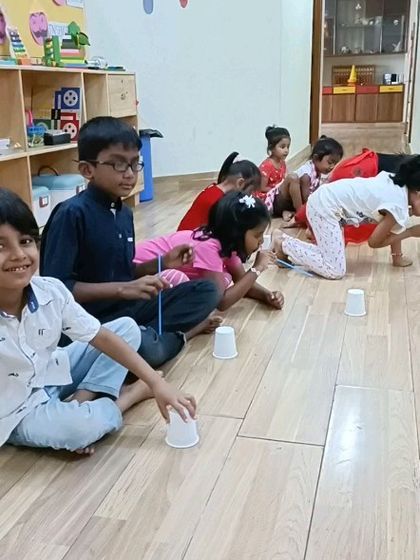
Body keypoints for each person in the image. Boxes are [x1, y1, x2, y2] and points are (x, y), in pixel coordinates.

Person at [0, 188, 196, 455]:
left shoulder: (50, 291)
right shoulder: (74, 214)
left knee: (126, 328)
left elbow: (100, 336)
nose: (18, 254)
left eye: (25, 241)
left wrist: (156, 382)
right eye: (1, 246)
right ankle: (126, 398)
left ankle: (82, 400)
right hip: (16, 411)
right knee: (79, 429)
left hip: (49, 372)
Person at [40, 117, 221, 369]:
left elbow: (123, 272)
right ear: (87, 170)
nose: (129, 173)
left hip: (125, 311)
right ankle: (166, 340)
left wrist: (162, 262)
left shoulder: (124, 213)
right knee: (145, 348)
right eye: (118, 164)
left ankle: (143, 341)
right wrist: (123, 290)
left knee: (207, 291)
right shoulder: (71, 214)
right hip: (86, 322)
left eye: (135, 164)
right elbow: (55, 290)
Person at [272, 157, 420, 279]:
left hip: (324, 201)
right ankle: (284, 244)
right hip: (325, 207)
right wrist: (411, 232)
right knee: (335, 270)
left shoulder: (397, 185)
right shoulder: (397, 203)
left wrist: (397, 257)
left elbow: (393, 226)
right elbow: (374, 242)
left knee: (330, 256)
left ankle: (284, 242)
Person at [136, 192, 284, 311]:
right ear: (237, 232)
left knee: (223, 278)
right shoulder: (209, 247)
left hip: (144, 274)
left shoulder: (227, 244)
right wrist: (257, 268)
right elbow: (221, 302)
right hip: (136, 273)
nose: (261, 241)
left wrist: (267, 295)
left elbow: (242, 281)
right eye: (257, 235)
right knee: (182, 281)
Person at [177, 152, 261, 231]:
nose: (251, 195)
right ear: (240, 183)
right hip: (189, 240)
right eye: (251, 191)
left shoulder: (213, 188)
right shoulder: (220, 201)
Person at [266, 136, 343, 221]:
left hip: (289, 204)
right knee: (293, 178)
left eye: (335, 164)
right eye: (330, 162)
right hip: (278, 203)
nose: (332, 167)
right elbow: (306, 199)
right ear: (316, 158)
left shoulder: (317, 171)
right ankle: (299, 214)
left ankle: (288, 212)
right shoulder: (306, 175)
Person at [258, 126, 290, 209]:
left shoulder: (282, 162)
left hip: (278, 193)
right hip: (269, 197)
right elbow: (262, 188)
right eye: (282, 147)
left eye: (288, 147)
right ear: (271, 148)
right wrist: (278, 190)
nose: (286, 150)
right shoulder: (267, 166)